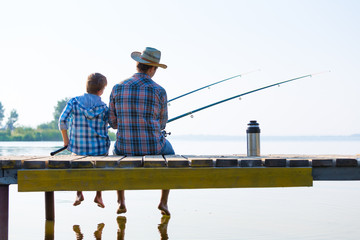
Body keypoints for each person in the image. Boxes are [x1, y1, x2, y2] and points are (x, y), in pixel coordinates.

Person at [109, 47, 175, 215]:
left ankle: (121, 201)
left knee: (115, 154)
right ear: (152, 68)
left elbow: (113, 123)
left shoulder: (117, 87)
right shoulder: (159, 90)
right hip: (155, 147)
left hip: (124, 147)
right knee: (172, 155)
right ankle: (163, 202)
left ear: (138, 65)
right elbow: (162, 124)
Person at [59, 72, 111, 208]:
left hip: (78, 148)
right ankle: (99, 196)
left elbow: (62, 121)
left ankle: (79, 193)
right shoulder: (104, 108)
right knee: (100, 168)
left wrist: (66, 141)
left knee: (77, 162)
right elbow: (111, 123)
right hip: (100, 149)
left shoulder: (74, 102)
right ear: (101, 90)